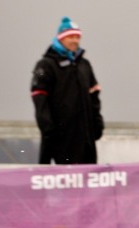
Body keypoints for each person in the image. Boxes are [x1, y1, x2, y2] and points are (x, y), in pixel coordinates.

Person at [31, 17, 104, 164]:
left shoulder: (84, 64)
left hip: (85, 137)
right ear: (61, 38)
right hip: (59, 137)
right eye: (71, 37)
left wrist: (97, 123)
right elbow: (39, 98)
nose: (75, 41)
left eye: (78, 37)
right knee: (61, 180)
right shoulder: (44, 65)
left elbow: (94, 96)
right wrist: (48, 129)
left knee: (87, 180)